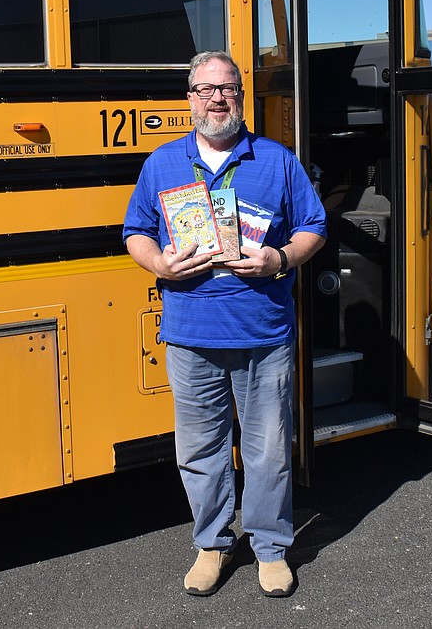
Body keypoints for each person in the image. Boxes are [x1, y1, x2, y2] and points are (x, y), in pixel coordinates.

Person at [122, 51, 326, 598]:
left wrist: (279, 259)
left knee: (267, 449)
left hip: (263, 332)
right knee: (200, 450)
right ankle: (212, 543)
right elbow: (135, 231)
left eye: (228, 88)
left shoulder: (278, 161)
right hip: (190, 335)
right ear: (189, 98)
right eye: (206, 89)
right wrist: (160, 264)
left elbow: (314, 226)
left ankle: (270, 547)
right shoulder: (162, 164)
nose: (218, 98)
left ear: (241, 96)